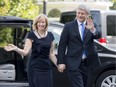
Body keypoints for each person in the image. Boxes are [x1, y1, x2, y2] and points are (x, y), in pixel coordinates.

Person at [4, 14, 57, 87]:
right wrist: (16, 48)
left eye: (43, 22)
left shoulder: (50, 35)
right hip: (35, 67)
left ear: (46, 23)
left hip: (47, 67)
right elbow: (25, 52)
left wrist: (58, 64)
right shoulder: (31, 35)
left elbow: (51, 54)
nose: (41, 24)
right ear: (36, 23)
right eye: (39, 22)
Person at [57, 4, 101, 87]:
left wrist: (92, 29)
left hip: (89, 63)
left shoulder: (91, 24)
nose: (80, 15)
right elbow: (62, 45)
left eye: (82, 13)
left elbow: (98, 35)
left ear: (87, 14)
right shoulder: (68, 26)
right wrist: (61, 62)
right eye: (78, 13)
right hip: (74, 63)